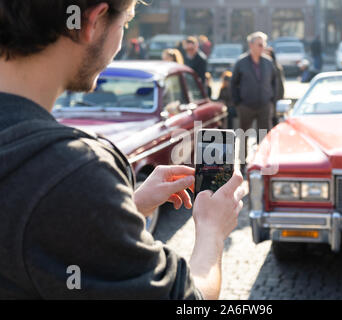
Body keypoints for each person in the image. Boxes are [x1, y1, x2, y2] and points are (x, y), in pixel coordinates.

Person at [0, 0, 245, 299]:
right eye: (126, 22)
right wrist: (212, 231)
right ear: (93, 21)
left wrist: (127, 206)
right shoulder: (73, 170)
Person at [231, 32, 277, 166]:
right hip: (246, 105)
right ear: (251, 45)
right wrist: (238, 103)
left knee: (264, 135)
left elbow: (275, 82)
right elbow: (234, 83)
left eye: (264, 44)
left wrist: (271, 101)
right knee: (243, 135)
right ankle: (242, 162)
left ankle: (262, 161)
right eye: (260, 44)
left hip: (264, 105)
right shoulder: (241, 62)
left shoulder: (268, 62)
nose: (263, 47)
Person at [264, 47, 285, 127]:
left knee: (274, 120)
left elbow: (280, 86)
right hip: (265, 99)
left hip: (274, 98)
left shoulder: (276, 67)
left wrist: (278, 99)